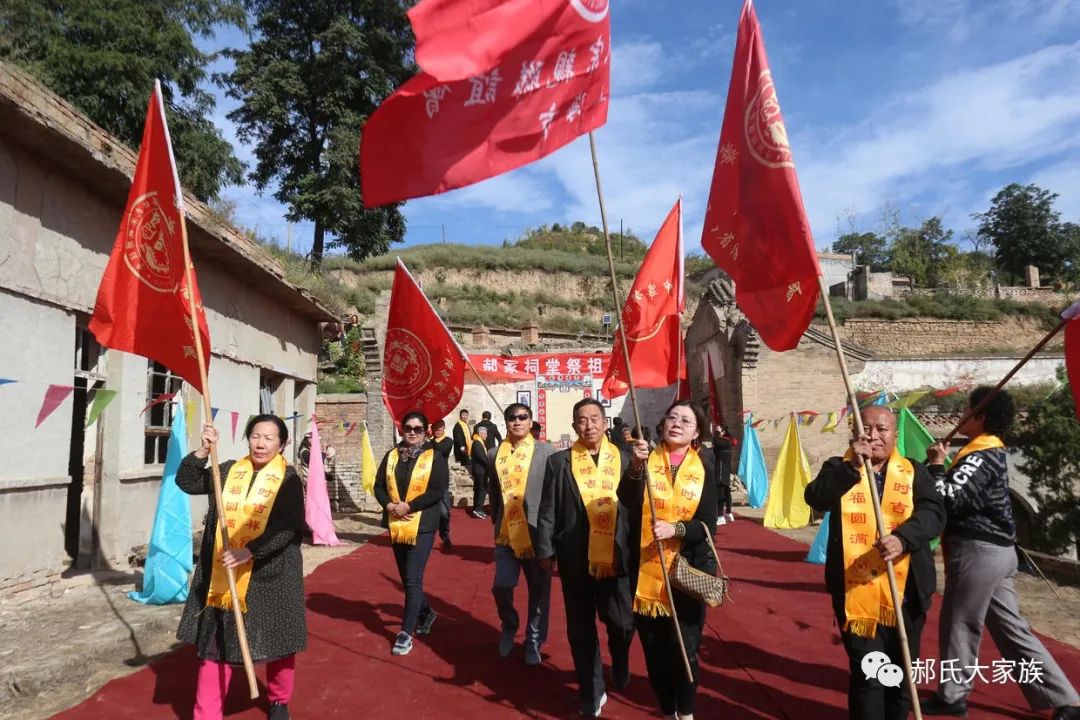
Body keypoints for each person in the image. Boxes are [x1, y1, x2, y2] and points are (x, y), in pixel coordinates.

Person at [921, 388, 1080, 719]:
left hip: (979, 551)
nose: (961, 412)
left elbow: (949, 499)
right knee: (1012, 630)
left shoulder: (979, 456)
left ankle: (952, 695)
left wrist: (937, 467)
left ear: (980, 415)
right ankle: (1066, 699)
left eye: (966, 407)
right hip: (996, 553)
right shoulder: (985, 453)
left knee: (959, 623)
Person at [804, 406, 945, 720]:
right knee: (869, 675)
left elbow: (934, 514)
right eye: (866, 428)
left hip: (906, 592)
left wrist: (903, 538)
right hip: (856, 594)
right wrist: (852, 467)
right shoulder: (838, 467)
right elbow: (815, 498)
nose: (874, 435)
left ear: (895, 435)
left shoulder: (914, 472)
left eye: (882, 429)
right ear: (855, 434)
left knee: (900, 677)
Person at [176, 415, 307, 720]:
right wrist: (203, 452)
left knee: (279, 641)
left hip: (271, 573)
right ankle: (206, 714)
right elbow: (188, 481)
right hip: (225, 573)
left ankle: (278, 701)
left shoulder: (287, 480)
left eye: (269, 438)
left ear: (282, 444)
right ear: (247, 438)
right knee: (215, 645)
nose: (261, 443)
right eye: (255, 436)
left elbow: (287, 527)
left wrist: (251, 551)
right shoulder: (227, 469)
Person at [537, 398, 644, 717]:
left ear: (605, 422)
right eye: (582, 420)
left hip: (617, 554)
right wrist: (545, 549)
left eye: (595, 418)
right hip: (575, 559)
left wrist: (639, 468)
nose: (589, 425)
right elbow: (547, 510)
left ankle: (620, 654)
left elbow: (637, 504)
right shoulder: (560, 463)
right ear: (574, 427)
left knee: (623, 623)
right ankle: (591, 690)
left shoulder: (626, 458)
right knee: (581, 629)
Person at [626, 401, 718, 720]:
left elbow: (708, 524)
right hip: (644, 570)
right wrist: (635, 470)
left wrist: (676, 528)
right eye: (672, 417)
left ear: (696, 432)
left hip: (685, 571)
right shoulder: (645, 459)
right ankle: (667, 710)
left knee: (684, 650)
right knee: (654, 652)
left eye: (686, 420)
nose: (677, 423)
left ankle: (686, 711)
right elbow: (625, 504)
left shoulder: (705, 465)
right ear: (663, 424)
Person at [373, 410, 449, 656]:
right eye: (408, 428)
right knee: (407, 579)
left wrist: (410, 506)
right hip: (397, 522)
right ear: (401, 429)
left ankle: (406, 632)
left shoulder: (435, 456)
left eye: (418, 429)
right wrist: (389, 505)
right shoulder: (392, 455)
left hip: (423, 523)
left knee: (414, 578)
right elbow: (378, 486)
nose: (413, 433)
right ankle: (426, 612)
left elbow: (437, 490)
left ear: (426, 431)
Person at [487, 403, 554, 666]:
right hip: (506, 534)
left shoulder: (547, 453)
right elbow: (493, 492)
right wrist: (496, 522)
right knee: (501, 586)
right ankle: (509, 623)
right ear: (506, 422)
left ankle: (534, 640)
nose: (517, 422)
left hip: (538, 534)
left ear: (530, 422)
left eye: (522, 417)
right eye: (512, 418)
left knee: (539, 592)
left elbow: (552, 495)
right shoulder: (494, 454)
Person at [431, 420, 454, 548]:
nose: (438, 430)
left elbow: (441, 450)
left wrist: (431, 441)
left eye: (440, 427)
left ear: (444, 428)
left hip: (442, 482)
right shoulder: (428, 443)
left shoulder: (448, 441)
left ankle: (445, 535)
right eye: (435, 427)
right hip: (428, 482)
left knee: (445, 512)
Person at [712, 424, 736, 525]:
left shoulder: (725, 441)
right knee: (726, 492)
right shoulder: (727, 441)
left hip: (722, 472)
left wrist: (716, 433)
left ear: (723, 432)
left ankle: (721, 516)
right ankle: (729, 512)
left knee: (721, 494)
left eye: (719, 431)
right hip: (724, 471)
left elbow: (716, 441)